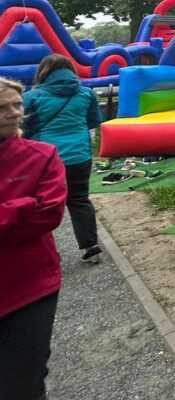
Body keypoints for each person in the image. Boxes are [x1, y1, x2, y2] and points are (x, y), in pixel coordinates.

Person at [0, 77, 67, 400]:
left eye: (17, 105)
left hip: (29, 285)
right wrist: (20, 207)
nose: (14, 113)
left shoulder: (41, 156)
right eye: (3, 107)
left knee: (23, 381)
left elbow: (49, 214)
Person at [23, 54, 103, 263]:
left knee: (41, 204)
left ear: (43, 72)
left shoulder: (32, 97)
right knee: (79, 199)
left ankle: (44, 252)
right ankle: (91, 247)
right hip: (79, 154)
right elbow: (93, 121)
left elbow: (23, 128)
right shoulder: (86, 93)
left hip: (45, 158)